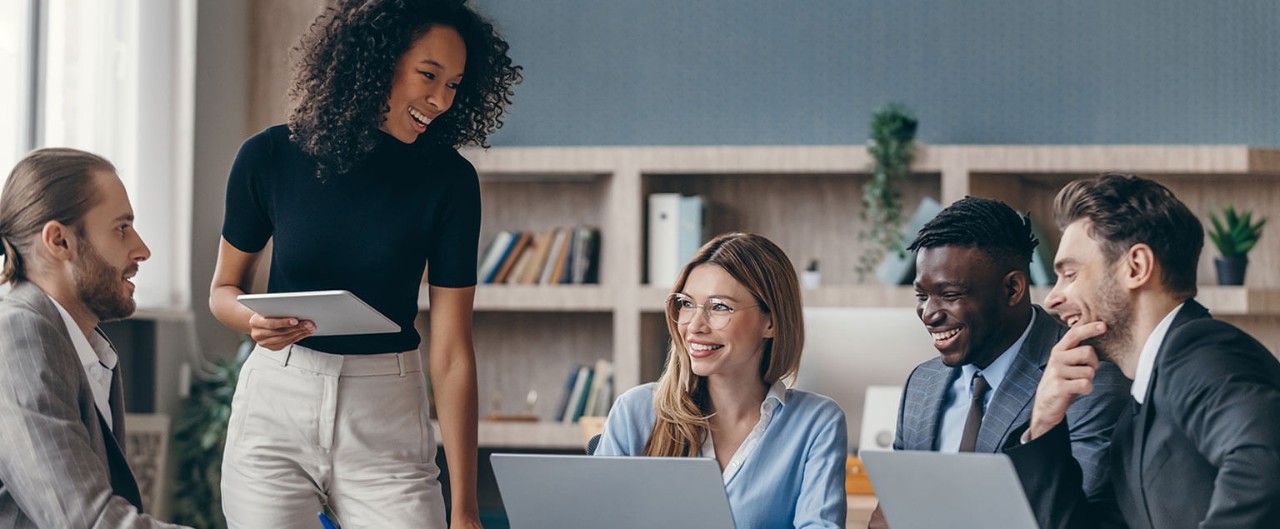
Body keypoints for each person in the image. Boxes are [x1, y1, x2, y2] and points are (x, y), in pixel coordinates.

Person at [208, 1, 519, 527]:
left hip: (387, 409)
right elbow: (222, 290)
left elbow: (451, 353)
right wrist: (254, 321)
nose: (441, 100)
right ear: (375, 61)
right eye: (429, 75)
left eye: (454, 85)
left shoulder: (449, 181)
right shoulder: (269, 156)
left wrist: (464, 506)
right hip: (276, 404)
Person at [1008, 173, 1280, 529]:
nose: (1052, 298)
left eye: (1070, 274)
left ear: (1136, 267)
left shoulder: (1197, 350)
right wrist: (1044, 423)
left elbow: (1266, 460)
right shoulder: (1134, 419)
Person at [866, 197, 1130, 528]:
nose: (929, 314)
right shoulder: (922, 383)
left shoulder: (1087, 380)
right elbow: (889, 515)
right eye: (922, 296)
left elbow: (1074, 520)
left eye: (950, 294)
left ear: (1013, 288)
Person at [596, 232, 848, 528]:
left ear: (771, 322)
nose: (694, 326)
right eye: (686, 304)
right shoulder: (635, 412)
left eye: (719, 307)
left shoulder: (817, 423)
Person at [0, 148, 190, 528]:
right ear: (59, 241)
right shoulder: (18, 335)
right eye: (122, 228)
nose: (143, 249)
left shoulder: (86, 346)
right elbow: (85, 520)